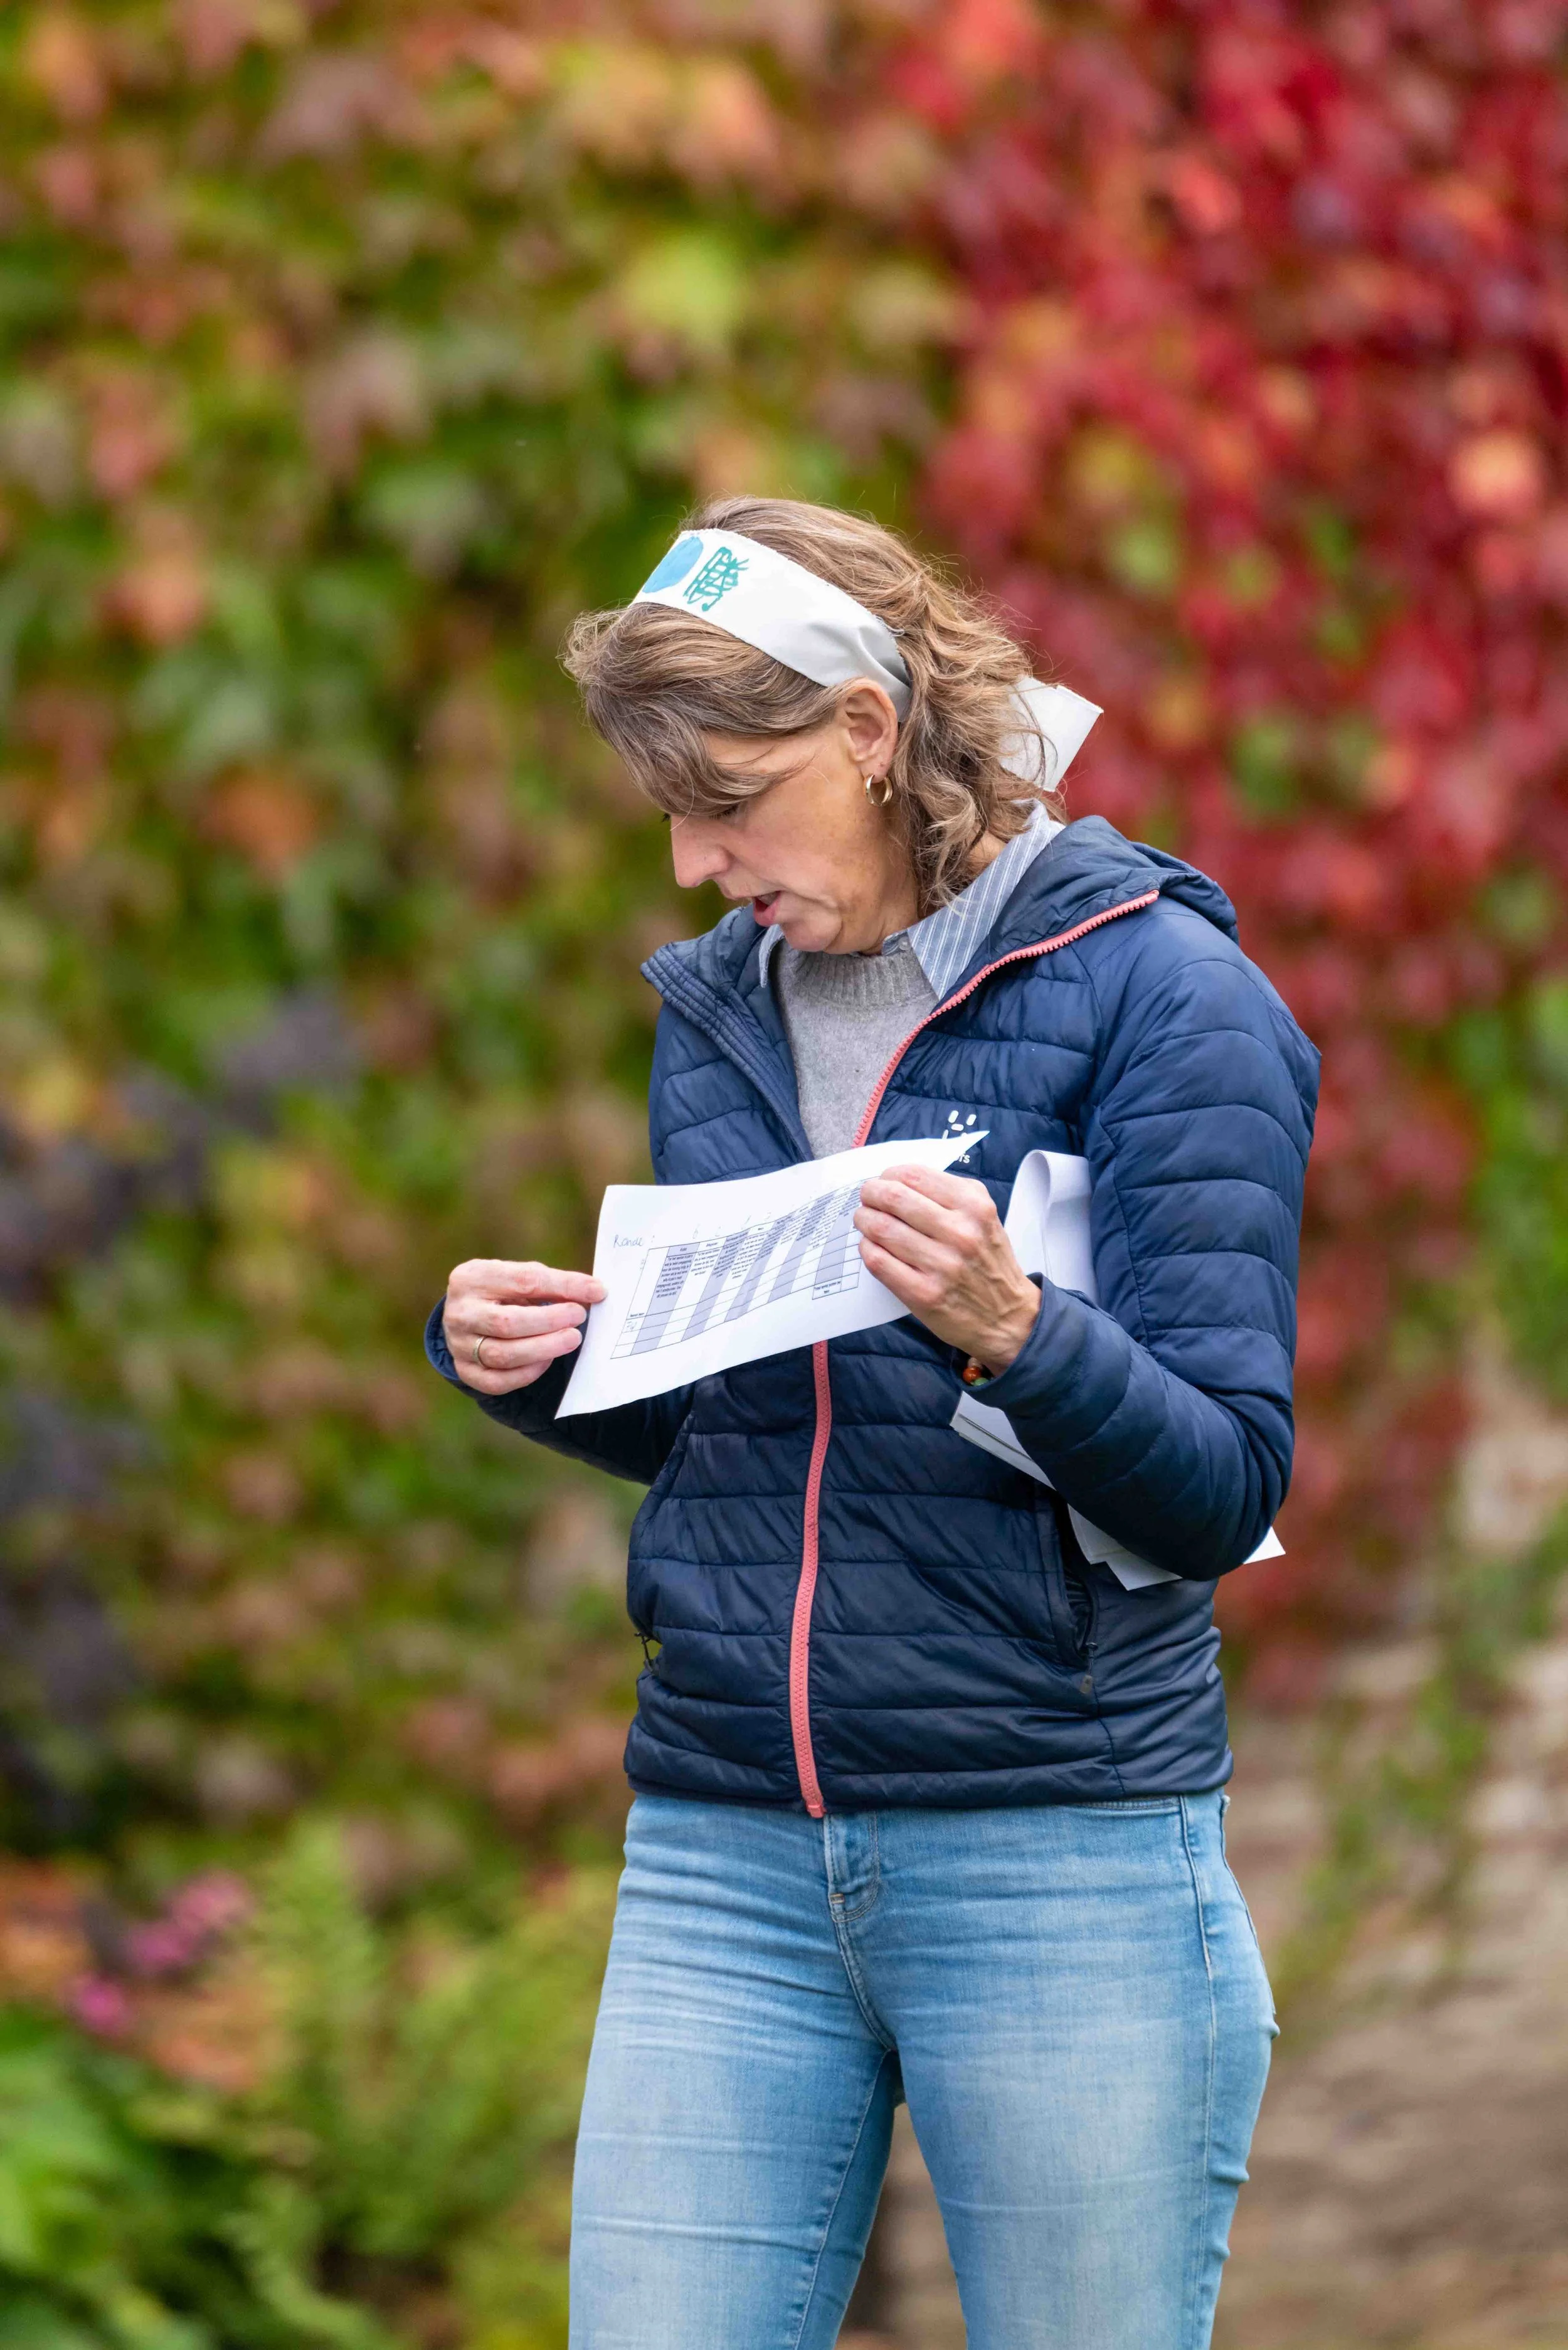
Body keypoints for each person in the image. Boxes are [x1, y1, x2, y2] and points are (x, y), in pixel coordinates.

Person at [425, 498, 1319, 2350]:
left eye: (730, 800)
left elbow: (1222, 1488)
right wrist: (542, 1364)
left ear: (867, 730)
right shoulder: (726, 1006)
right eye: (669, 812)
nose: (694, 861)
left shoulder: (1167, 997)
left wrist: (1017, 1335)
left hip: (1058, 1857)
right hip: (722, 1851)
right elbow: (765, 1444)